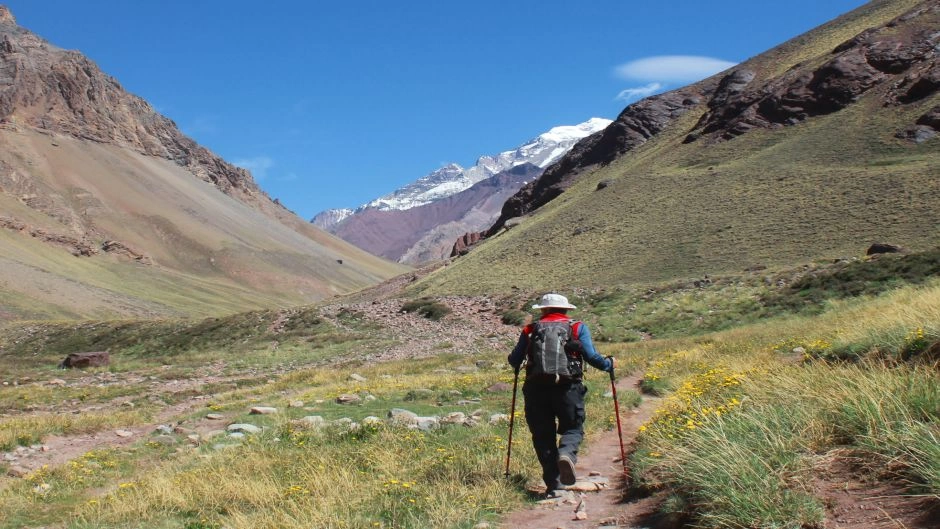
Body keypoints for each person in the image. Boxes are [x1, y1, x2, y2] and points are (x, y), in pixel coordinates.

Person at [507, 293, 613, 495]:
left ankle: (554, 484)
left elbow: (515, 360)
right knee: (573, 428)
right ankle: (566, 454)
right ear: (565, 310)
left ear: (543, 310)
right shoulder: (576, 327)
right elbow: (591, 356)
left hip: (535, 389)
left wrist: (514, 358)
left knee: (542, 435)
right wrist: (608, 365)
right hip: (568, 387)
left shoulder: (530, 330)